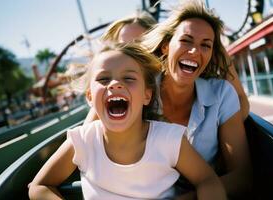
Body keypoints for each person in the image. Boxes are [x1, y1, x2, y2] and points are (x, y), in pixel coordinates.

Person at [28, 43, 227, 200]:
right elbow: (39, 187)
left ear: (146, 95)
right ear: (89, 97)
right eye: (104, 79)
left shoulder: (169, 139)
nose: (115, 84)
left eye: (129, 79)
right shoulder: (82, 141)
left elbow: (207, 180)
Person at [140, 0, 251, 198]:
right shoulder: (137, 89)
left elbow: (242, 177)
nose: (195, 51)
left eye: (206, 45)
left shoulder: (222, 95)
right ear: (166, 46)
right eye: (186, 40)